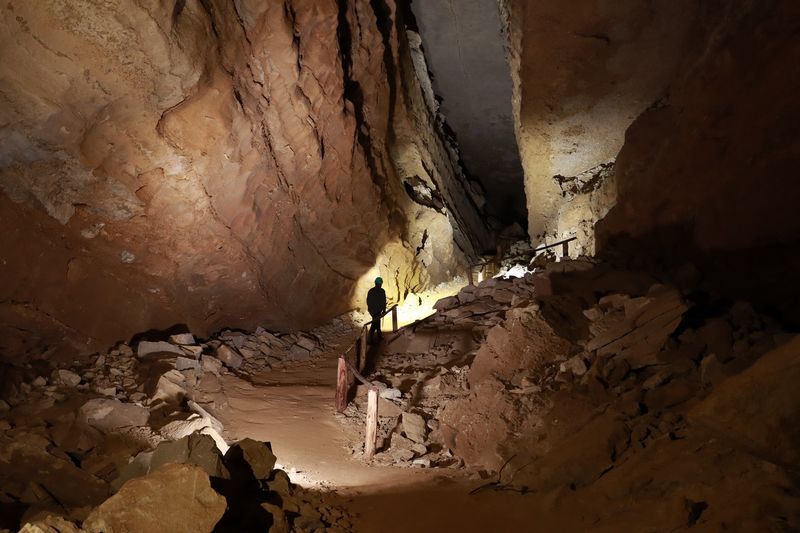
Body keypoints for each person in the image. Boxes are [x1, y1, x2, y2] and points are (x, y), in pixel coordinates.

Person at [366, 277, 386, 343]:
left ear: (375, 283)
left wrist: (370, 309)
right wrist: (384, 310)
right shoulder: (382, 291)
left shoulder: (371, 291)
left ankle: (379, 335)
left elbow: (368, 301)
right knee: (375, 323)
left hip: (372, 310)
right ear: (381, 284)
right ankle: (370, 339)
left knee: (377, 322)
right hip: (377, 310)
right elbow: (383, 302)